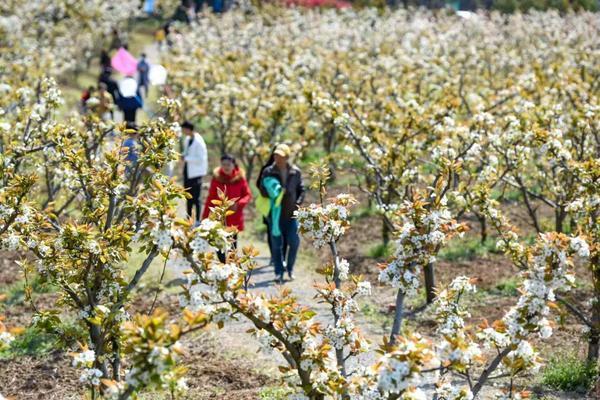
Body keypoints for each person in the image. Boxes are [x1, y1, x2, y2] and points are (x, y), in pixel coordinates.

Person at [260, 144, 305, 283]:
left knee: (294, 242)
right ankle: (278, 272)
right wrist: (275, 192)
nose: (276, 157)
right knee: (276, 244)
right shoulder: (268, 171)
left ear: (286, 157)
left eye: (279, 155)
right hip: (275, 214)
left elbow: (302, 189)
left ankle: (290, 269)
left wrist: (298, 203)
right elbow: (262, 189)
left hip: (292, 214)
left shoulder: (295, 172)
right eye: (275, 155)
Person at [202, 154, 252, 262]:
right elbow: (210, 198)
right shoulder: (216, 178)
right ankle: (223, 267)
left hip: (234, 217)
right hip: (218, 218)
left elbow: (248, 195)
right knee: (219, 246)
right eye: (223, 164)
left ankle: (231, 269)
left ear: (234, 165)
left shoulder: (240, 178)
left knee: (232, 245)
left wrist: (238, 204)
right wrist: (205, 217)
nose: (226, 167)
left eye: (229, 164)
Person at [182, 121, 208, 224]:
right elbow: (186, 152)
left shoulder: (199, 141)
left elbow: (201, 159)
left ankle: (197, 219)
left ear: (189, 129)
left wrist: (187, 158)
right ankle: (188, 218)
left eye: (184, 129)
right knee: (188, 196)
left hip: (196, 173)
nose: (183, 132)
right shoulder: (188, 139)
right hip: (188, 171)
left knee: (196, 198)